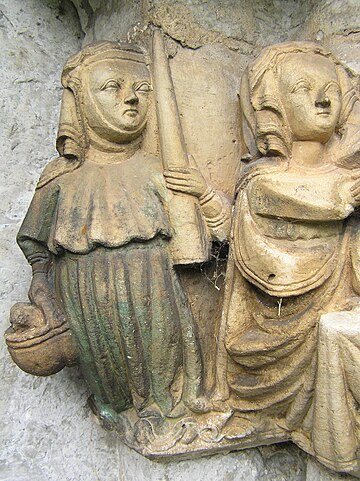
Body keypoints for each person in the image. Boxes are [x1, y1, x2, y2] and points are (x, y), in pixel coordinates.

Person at [13, 41, 230, 422]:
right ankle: (121, 409)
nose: (131, 98)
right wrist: (41, 282)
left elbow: (215, 238)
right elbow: (37, 244)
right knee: (111, 377)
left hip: (156, 293)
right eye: (112, 87)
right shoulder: (61, 179)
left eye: (143, 89)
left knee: (164, 367)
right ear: (81, 103)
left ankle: (171, 410)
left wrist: (202, 196)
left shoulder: (162, 170)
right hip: (87, 306)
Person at [216, 42, 360, 474]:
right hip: (275, 329)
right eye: (303, 88)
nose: (322, 99)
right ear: (272, 111)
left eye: (330, 88)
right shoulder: (263, 180)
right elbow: (301, 201)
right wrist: (344, 197)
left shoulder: (346, 178)